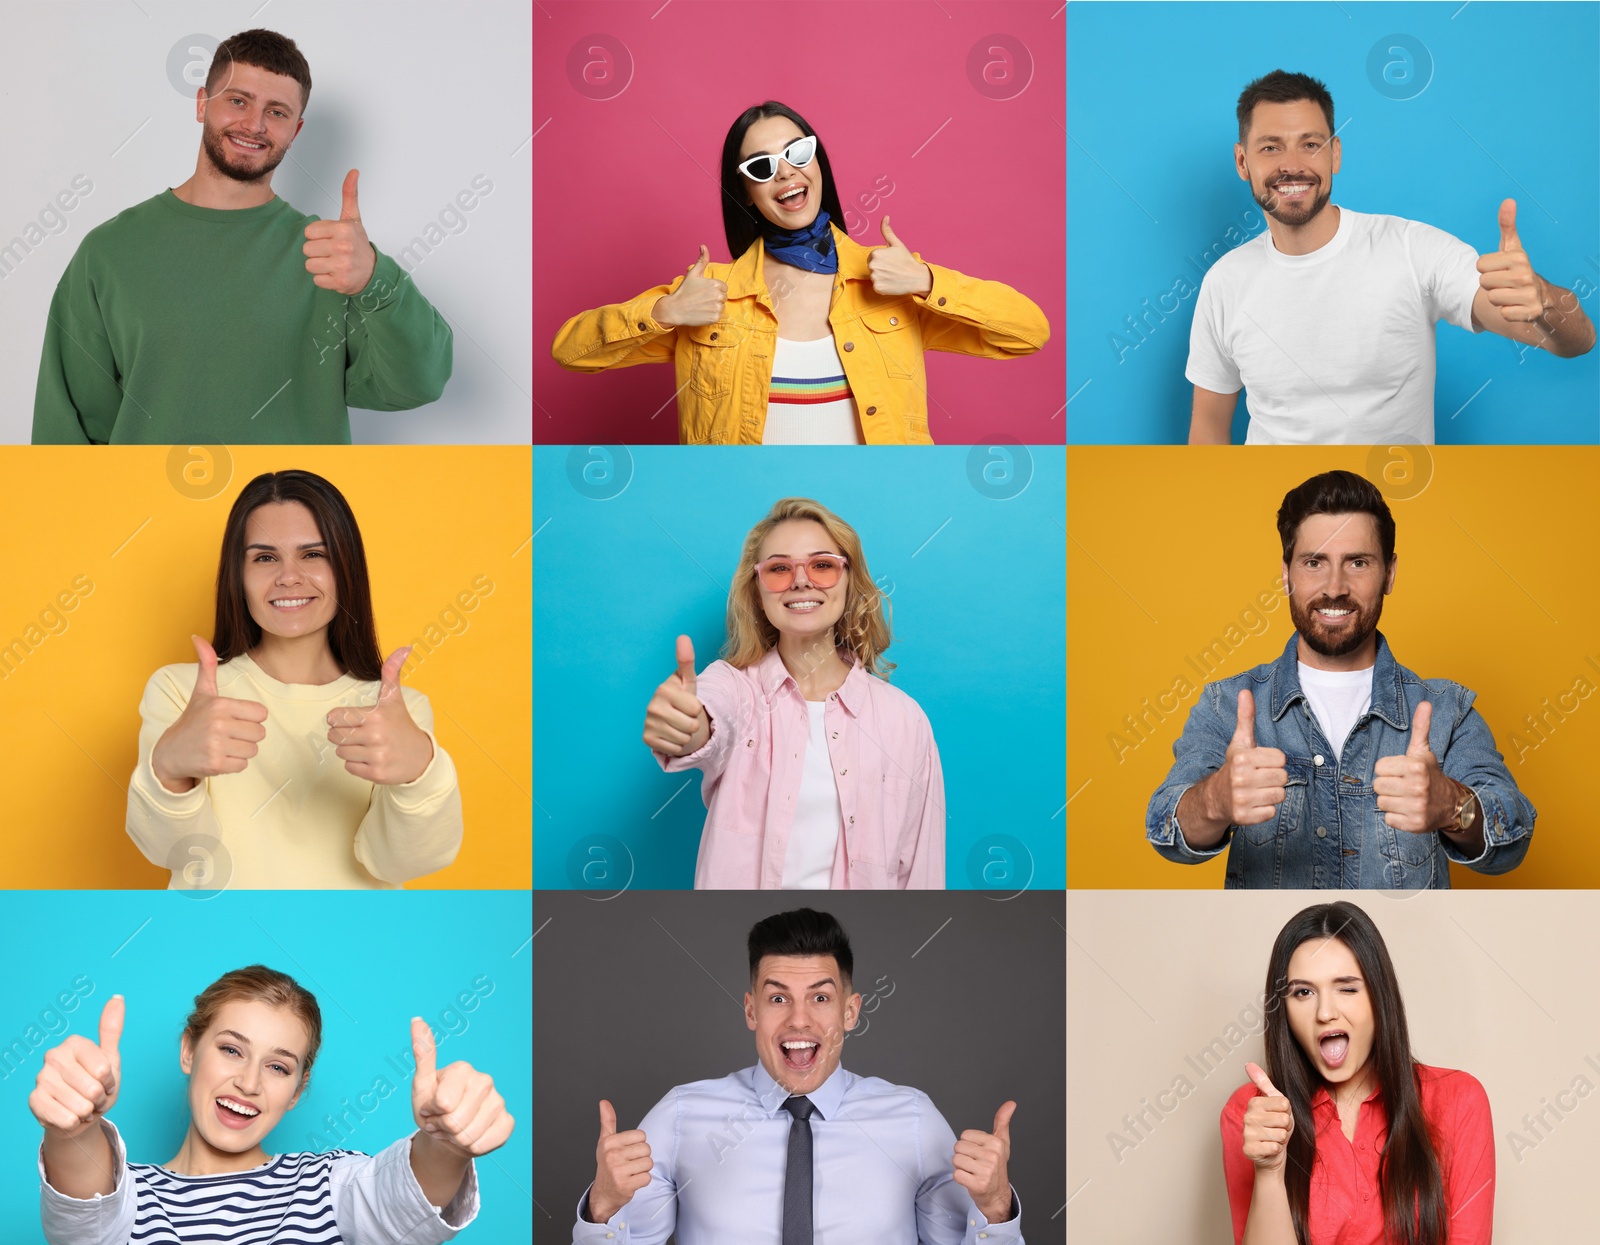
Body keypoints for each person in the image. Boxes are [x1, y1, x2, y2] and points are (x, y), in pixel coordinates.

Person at [568, 908, 1022, 1245]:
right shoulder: (682, 1117)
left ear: (850, 1011)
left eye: (820, 997)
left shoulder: (913, 1120)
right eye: (778, 998)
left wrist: (995, 1207)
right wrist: (602, 1208)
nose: (799, 1020)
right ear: (751, 1010)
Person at [32, 965, 514, 1245]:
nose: (248, 1082)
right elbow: (84, 1205)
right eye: (231, 1049)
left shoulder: (329, 1188)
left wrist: (447, 1143)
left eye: (278, 1067)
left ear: (297, 1091)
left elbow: (406, 1193)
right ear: (188, 1051)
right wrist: (73, 1127)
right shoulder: (129, 1201)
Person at [32, 29, 452, 444]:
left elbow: (419, 383)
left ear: (296, 131)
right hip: (152, 512)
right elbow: (65, 436)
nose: (254, 125)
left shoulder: (332, 259)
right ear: (202, 104)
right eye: (238, 101)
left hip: (296, 511)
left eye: (277, 112)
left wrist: (375, 279)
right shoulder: (109, 252)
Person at [551, 99, 1050, 443]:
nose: (786, 171)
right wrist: (663, 311)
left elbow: (1028, 332)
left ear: (817, 161)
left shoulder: (891, 282)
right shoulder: (709, 296)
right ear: (745, 191)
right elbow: (570, 352)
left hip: (877, 502)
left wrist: (926, 282)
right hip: (747, 506)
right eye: (761, 167)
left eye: (797, 152)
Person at [1146, 470, 1535, 887]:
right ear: (1286, 573)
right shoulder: (1227, 704)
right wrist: (1215, 800)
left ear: (1389, 574)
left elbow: (1511, 841)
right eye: (1314, 562)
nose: (1334, 587)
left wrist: (1454, 807)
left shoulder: (1447, 710)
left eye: (1358, 562)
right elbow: (1166, 830)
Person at [1186, 69, 1595, 445]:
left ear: (1335, 154)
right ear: (1243, 161)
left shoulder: (1412, 250)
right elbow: (1207, 427)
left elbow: (1577, 342)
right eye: (1271, 147)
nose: (1292, 165)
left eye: (1310, 144)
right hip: (1278, 511)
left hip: (1392, 507)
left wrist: (1541, 298)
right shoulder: (1225, 282)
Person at [126, 469, 463, 887]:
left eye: (313, 554)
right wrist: (169, 769)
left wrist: (420, 774)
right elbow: (178, 854)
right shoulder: (179, 691)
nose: (288, 577)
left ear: (346, 569)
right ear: (239, 576)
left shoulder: (397, 710)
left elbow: (399, 864)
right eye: (265, 557)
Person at [1214, 901, 1492, 1245]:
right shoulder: (1252, 1113)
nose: (1325, 1012)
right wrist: (1270, 1170)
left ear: (1379, 997)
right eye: (1302, 992)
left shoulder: (1457, 1101)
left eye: (1346, 987)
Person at [641, 497, 944, 889]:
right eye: (780, 569)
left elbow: (922, 876)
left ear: (849, 581)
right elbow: (710, 716)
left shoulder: (905, 719)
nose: (801, 580)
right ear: (757, 591)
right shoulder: (734, 687)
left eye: (822, 565)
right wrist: (687, 725)